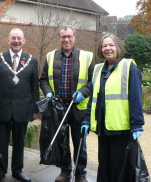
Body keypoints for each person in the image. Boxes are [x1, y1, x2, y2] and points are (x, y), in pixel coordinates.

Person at [81, 33, 144, 182]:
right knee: (104, 166)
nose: (107, 48)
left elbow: (136, 98)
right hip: (103, 128)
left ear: (118, 47)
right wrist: (86, 120)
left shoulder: (129, 68)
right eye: (104, 46)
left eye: (111, 45)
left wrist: (137, 124)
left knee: (119, 169)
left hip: (121, 129)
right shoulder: (98, 70)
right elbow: (93, 99)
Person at [40, 26, 94, 182]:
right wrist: (48, 92)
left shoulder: (87, 56)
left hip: (78, 108)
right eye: (63, 37)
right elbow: (43, 79)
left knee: (79, 144)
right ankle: (65, 172)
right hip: (59, 108)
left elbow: (93, 81)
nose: (66, 39)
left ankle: (80, 174)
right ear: (59, 38)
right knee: (62, 142)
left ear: (74, 37)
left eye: (69, 36)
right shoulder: (50, 56)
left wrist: (83, 93)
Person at [0, 28, 39, 182]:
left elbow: (34, 87)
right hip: (1, 110)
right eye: (13, 38)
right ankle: (0, 171)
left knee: (19, 143)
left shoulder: (32, 60)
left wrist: (35, 108)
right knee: (1, 144)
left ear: (24, 41)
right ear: (8, 40)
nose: (16, 41)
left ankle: (17, 170)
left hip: (22, 110)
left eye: (19, 38)